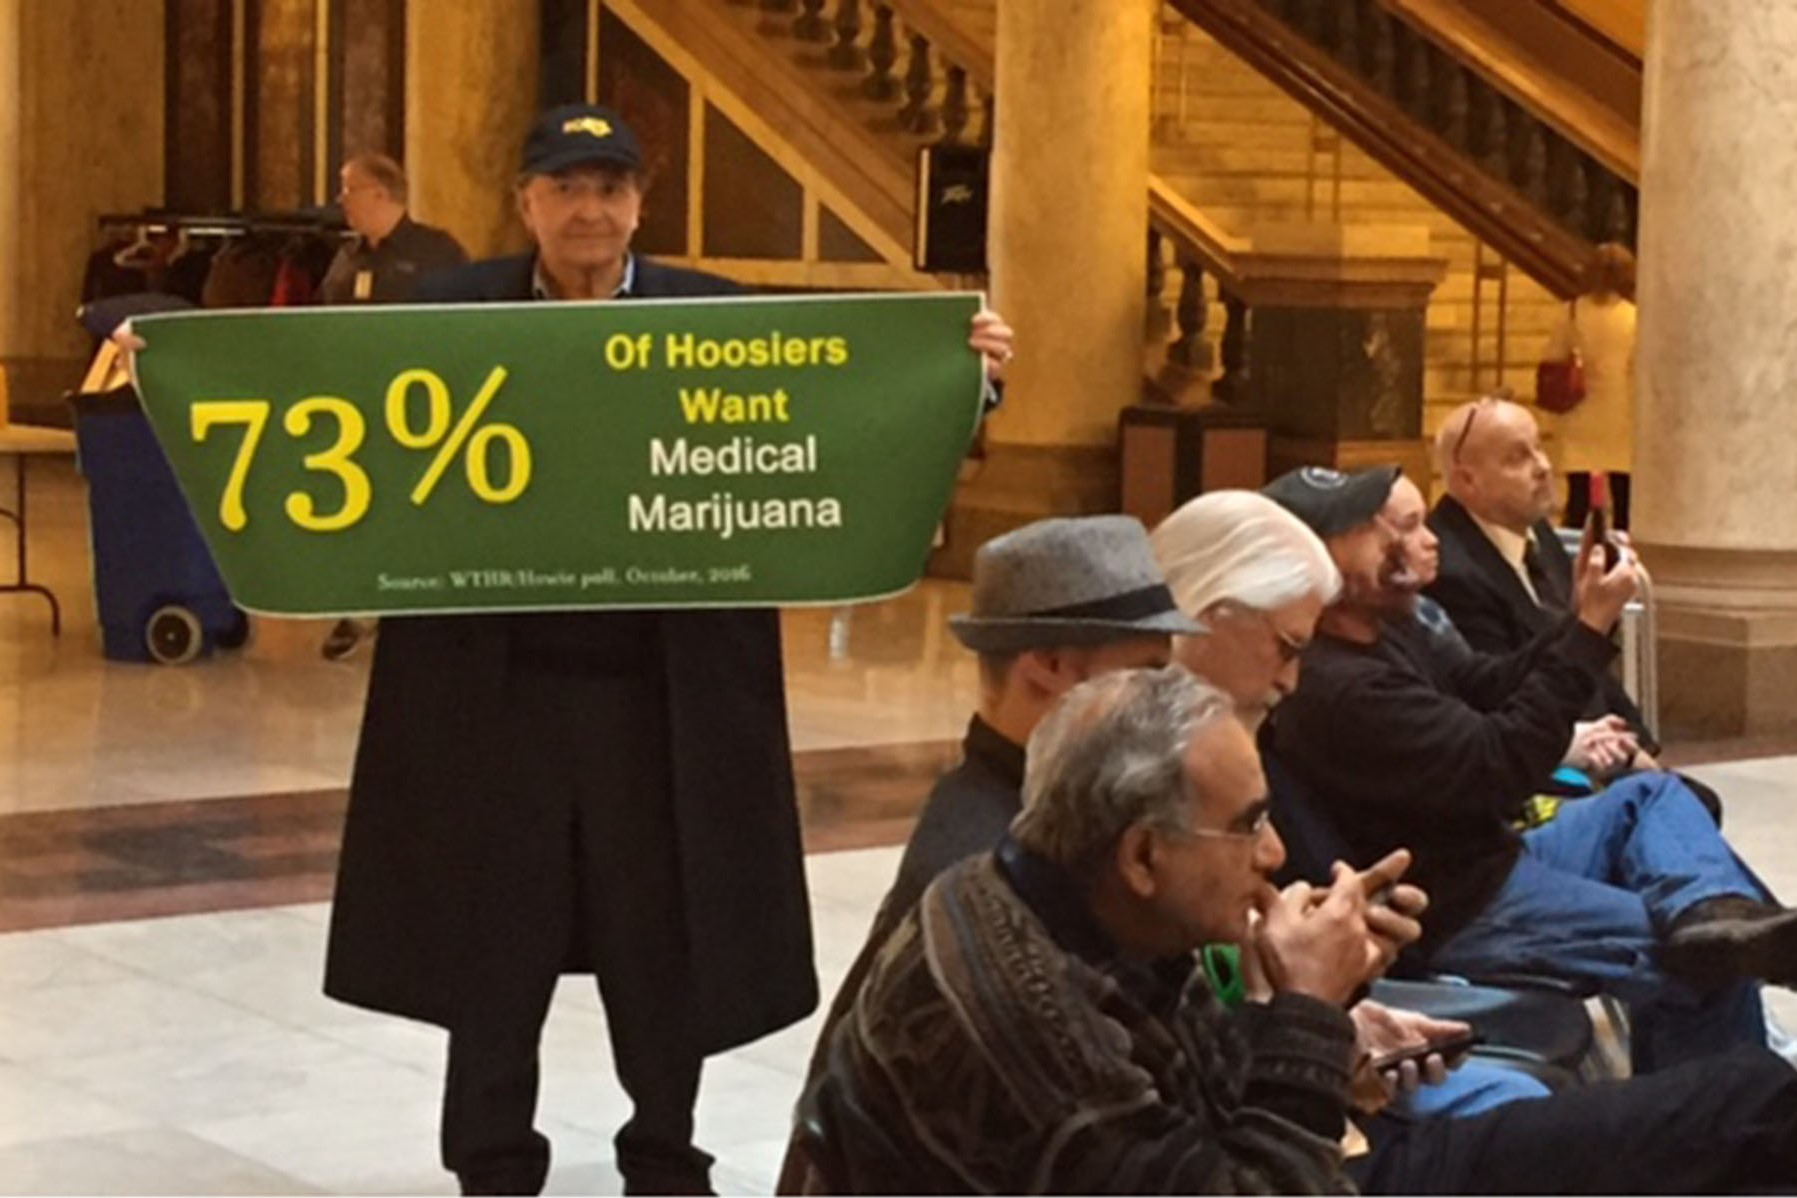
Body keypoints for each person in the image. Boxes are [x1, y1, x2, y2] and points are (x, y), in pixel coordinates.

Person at [233, 104, 1018, 1196]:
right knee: (491, 935)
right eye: (566, 187)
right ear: (526, 204)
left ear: (640, 202)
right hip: (495, 699)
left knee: (666, 935)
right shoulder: (448, 309)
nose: (589, 209)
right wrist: (163, 361)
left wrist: (962, 380)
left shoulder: (716, 318)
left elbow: (846, 414)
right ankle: (492, 1158)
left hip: (663, 699)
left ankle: (664, 1149)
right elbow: (304, 387)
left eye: (610, 187)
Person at [802, 667, 1797, 1195]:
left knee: (1742, 1109)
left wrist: (1340, 1036)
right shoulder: (1018, 1011)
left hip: (1293, 1159)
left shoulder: (1062, 894)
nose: (1275, 854)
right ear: (1144, 854)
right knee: (1715, 1128)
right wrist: (1311, 1021)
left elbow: (1186, 1080)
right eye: (1245, 825)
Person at [1263, 464, 1797, 1074]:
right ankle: (1727, 1135)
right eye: (1378, 529)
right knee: (1708, 971)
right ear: (1318, 560)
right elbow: (1498, 767)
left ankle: (1715, 912)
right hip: (1461, 908)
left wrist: (1577, 621)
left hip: (1494, 859)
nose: (1405, 542)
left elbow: (1486, 684)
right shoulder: (1338, 689)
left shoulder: (1384, 628)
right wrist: (1590, 632)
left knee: (1651, 797)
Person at [315, 152, 469, 662]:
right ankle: (361, 608)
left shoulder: (436, 252)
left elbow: (464, 324)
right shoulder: (347, 257)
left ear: (381, 194)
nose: (342, 201)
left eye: (349, 189)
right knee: (361, 506)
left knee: (422, 505)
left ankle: (424, 608)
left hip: (423, 406)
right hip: (356, 406)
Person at [1541, 242, 1636, 529]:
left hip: (1579, 409)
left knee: (1578, 495)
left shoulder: (1571, 313)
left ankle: (1574, 549)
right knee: (1623, 498)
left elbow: (1552, 357)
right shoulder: (1634, 317)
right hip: (1622, 411)